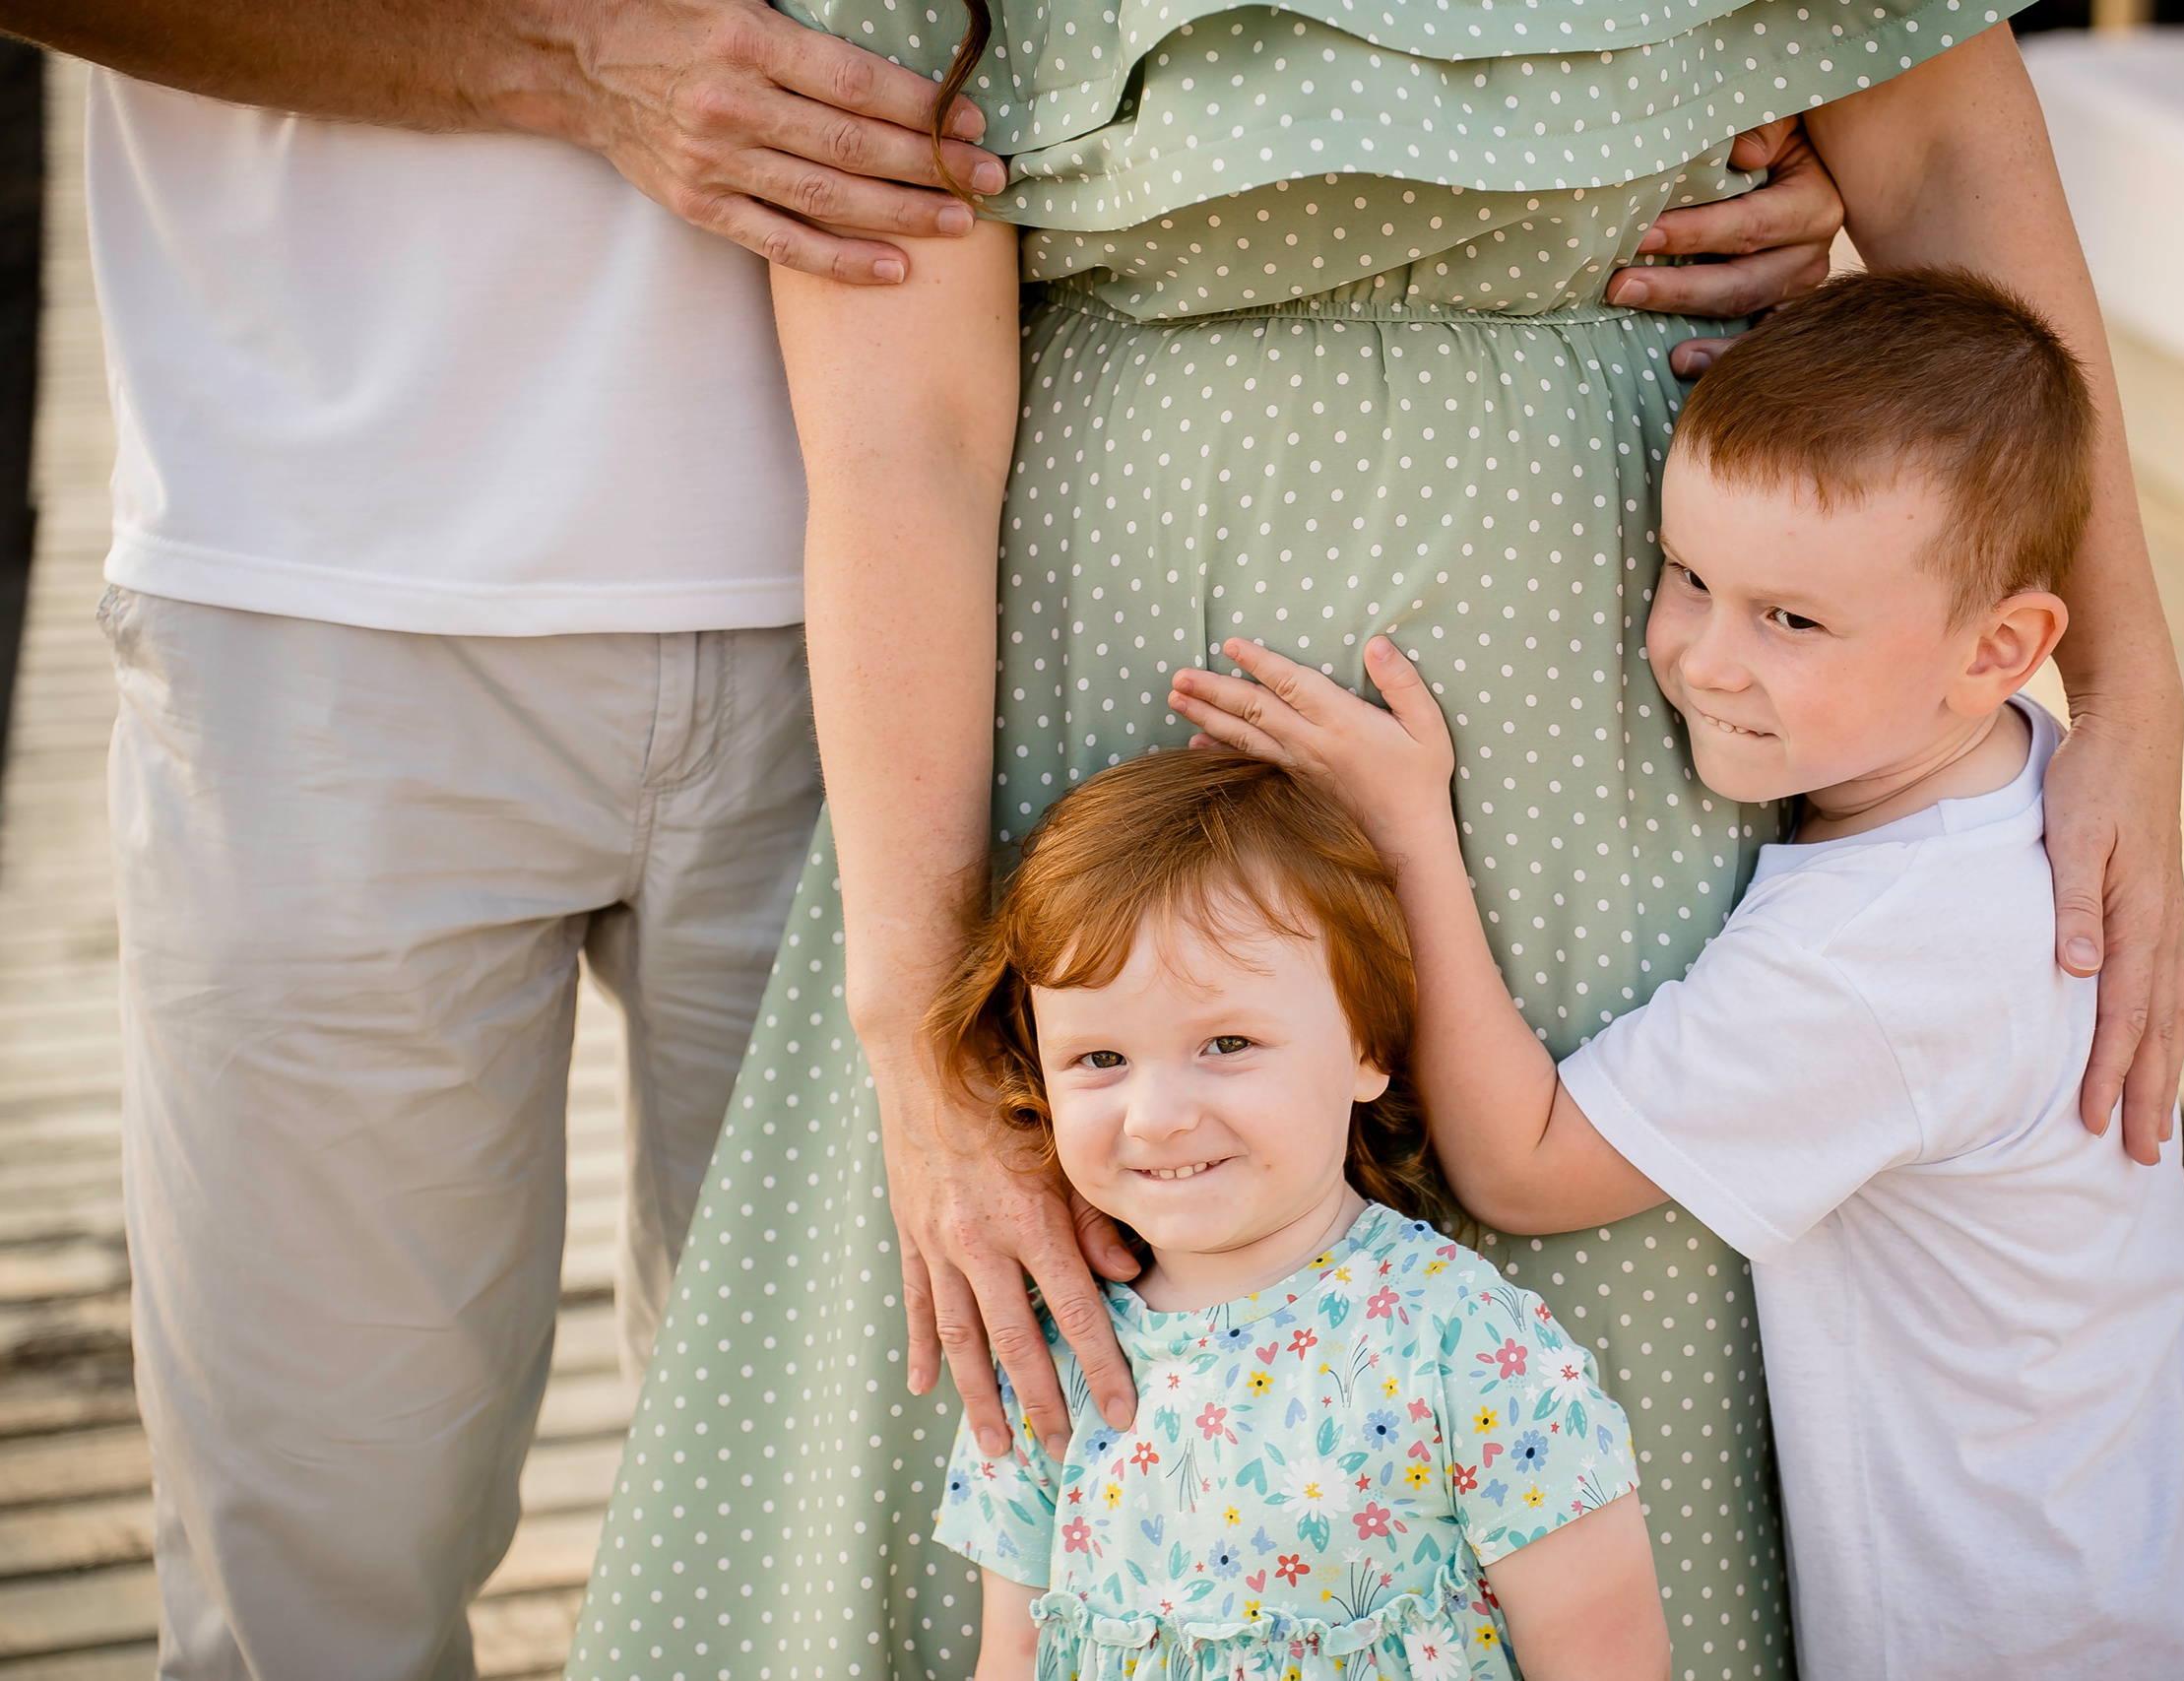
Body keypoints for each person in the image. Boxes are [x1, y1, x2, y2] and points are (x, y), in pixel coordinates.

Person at [0, 2, 1841, 1671]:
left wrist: (1683, 114)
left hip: (917, 664)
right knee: (314, 1532)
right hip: (340, 586)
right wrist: (561, 59)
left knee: (832, 1491)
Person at [565, 2, 2184, 1678]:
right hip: (1121, 713)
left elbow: (1936, 144)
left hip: (1607, 766)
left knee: (1607, 1340)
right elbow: (899, 434)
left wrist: (2133, 687)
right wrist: (919, 1032)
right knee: (1078, 1355)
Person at [1170, 270, 2184, 1678]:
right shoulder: (2003, 788)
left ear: (1999, 647)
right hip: (2145, 1535)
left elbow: (1524, 1167)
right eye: (1689, 574)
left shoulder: (1881, 960)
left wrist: (1407, 825)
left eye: (1791, 621)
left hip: (2024, 1619)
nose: (1702, 657)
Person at [923, 749, 1664, 1681]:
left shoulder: (1461, 1337)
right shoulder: (1054, 1357)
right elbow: (1015, 1654)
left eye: (1226, 1043)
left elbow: (1606, 1656)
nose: (1156, 1115)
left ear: (1365, 1043)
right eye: (1100, 1059)